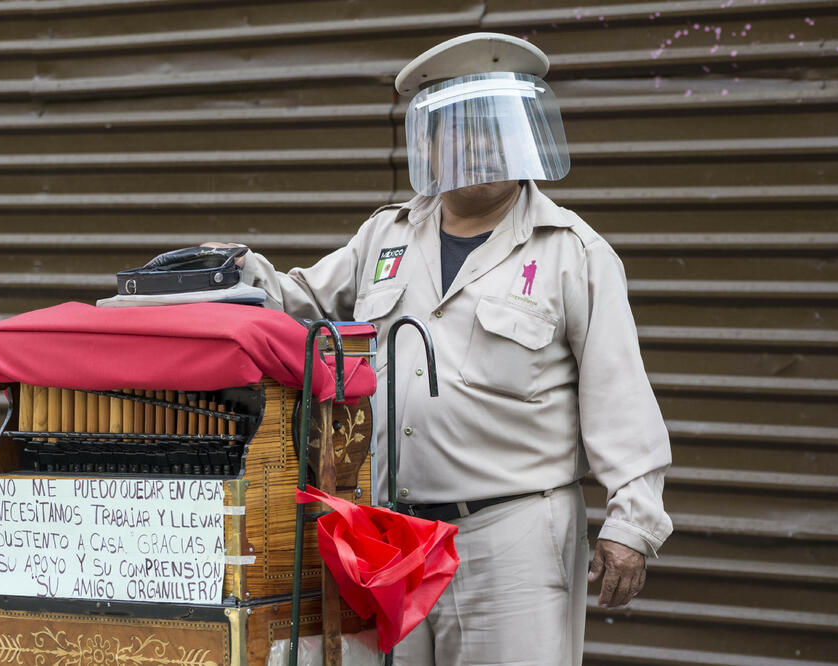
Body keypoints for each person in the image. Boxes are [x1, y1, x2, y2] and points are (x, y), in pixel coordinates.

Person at [205, 32, 672, 666]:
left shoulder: (573, 253)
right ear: (428, 142)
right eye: (459, 128)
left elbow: (620, 396)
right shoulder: (386, 235)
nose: (479, 146)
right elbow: (301, 303)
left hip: (514, 535)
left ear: (522, 134)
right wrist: (226, 274)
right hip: (392, 536)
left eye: (493, 128)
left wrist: (632, 526)